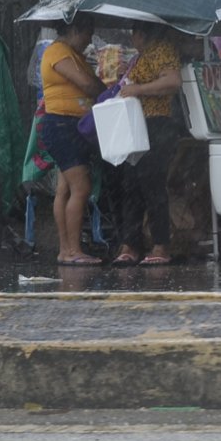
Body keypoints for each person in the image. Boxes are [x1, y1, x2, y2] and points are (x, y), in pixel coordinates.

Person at [111, 21, 185, 266]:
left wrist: (139, 89)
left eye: (133, 33)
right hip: (135, 126)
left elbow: (173, 81)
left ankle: (160, 244)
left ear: (141, 34)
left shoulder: (161, 50)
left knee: (152, 184)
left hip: (157, 124)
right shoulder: (141, 56)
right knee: (131, 184)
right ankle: (130, 244)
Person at [39, 16, 106, 265]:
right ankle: (72, 250)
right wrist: (109, 92)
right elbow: (86, 84)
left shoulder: (72, 53)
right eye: (88, 32)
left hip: (70, 125)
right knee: (81, 187)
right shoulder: (58, 51)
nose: (90, 39)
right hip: (62, 125)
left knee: (65, 189)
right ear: (75, 29)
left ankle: (65, 251)